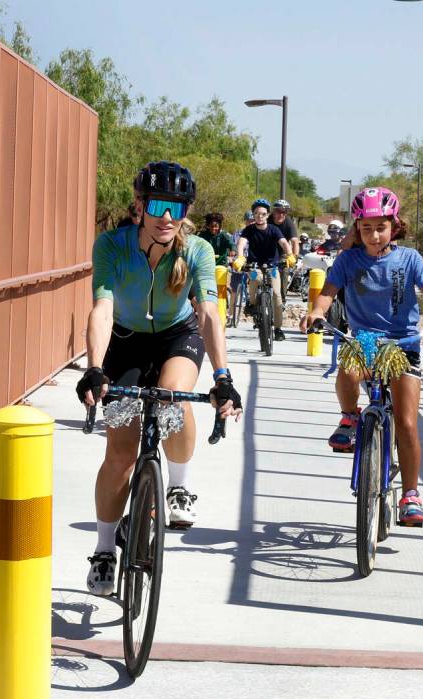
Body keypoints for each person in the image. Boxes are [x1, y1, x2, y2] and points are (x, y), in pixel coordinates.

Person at [77, 161, 243, 596]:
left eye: (177, 206)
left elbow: (208, 313)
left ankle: (180, 486)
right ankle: (103, 550)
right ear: (140, 206)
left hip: (178, 335)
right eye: (157, 204)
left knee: (175, 398)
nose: (167, 216)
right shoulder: (112, 245)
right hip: (126, 340)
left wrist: (223, 376)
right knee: (120, 453)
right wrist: (94, 368)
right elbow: (102, 310)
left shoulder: (197, 251)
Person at [300, 187, 423, 526]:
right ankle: (350, 418)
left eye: (381, 227)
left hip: (404, 344)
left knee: (405, 422)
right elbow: (327, 295)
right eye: (366, 228)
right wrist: (315, 313)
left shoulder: (410, 260)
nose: (374, 235)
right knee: (347, 368)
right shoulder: (348, 261)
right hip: (364, 341)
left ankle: (411, 495)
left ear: (395, 226)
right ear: (356, 229)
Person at [233, 198, 296, 342]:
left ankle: (278, 329)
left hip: (272, 267)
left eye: (262, 214)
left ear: (267, 215)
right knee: (255, 278)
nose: (259, 216)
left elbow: (284, 243)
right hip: (255, 265)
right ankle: (253, 304)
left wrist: (290, 255)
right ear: (253, 215)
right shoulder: (249, 230)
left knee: (277, 295)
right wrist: (241, 257)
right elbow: (241, 243)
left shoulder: (274, 230)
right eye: (256, 214)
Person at [269, 199, 299, 304]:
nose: (281, 214)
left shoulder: (289, 223)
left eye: (284, 212)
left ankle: (282, 299)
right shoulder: (267, 221)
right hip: (266, 251)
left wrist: (294, 258)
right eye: (279, 211)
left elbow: (295, 241)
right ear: (273, 212)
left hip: (282, 253)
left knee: (284, 271)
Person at [229, 211, 254, 320]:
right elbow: (232, 248)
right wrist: (231, 256)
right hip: (240, 263)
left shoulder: (261, 234)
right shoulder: (238, 234)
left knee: (256, 281)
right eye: (249, 221)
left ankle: (256, 306)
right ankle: (230, 313)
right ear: (246, 221)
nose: (251, 223)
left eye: (253, 221)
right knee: (234, 288)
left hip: (253, 264)